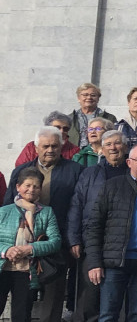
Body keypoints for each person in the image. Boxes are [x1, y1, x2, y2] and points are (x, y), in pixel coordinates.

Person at [6, 126, 84, 322]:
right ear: (36, 147)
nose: (50, 150)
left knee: (53, 296)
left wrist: (73, 238)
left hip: (58, 241)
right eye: (46, 146)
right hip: (22, 245)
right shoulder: (21, 171)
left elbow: (78, 207)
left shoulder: (75, 171)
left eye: (55, 146)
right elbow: (8, 206)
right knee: (23, 299)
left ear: (62, 146)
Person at [84, 144, 137, 322]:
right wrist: (94, 263)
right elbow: (94, 225)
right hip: (114, 262)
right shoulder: (112, 186)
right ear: (129, 162)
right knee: (107, 315)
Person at [68, 131, 129, 322]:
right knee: (90, 294)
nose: (113, 148)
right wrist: (74, 238)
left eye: (117, 143)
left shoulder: (132, 173)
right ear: (101, 149)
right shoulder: (89, 173)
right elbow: (76, 206)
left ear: (125, 148)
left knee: (119, 297)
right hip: (91, 241)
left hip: (122, 243)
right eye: (108, 144)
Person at [0, 168, 62, 322]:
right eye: (27, 185)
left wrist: (30, 248)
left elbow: (55, 242)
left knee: (21, 314)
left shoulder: (47, 212)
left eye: (36, 186)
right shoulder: (4, 211)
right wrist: (6, 250)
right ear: (18, 187)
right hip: (3, 267)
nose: (31, 190)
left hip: (28, 270)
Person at [16, 111, 81, 167]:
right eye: (57, 128)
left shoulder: (75, 151)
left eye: (65, 129)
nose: (61, 131)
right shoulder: (31, 147)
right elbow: (21, 168)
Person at [68, 83, 117, 148]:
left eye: (93, 95)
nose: (89, 97)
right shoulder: (69, 118)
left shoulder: (109, 118)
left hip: (99, 154)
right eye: (85, 95)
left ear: (98, 98)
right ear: (78, 98)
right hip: (74, 156)